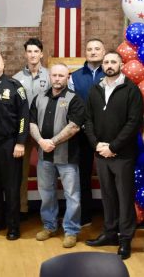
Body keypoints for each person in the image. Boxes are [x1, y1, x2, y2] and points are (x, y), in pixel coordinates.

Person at [85, 51, 143, 260]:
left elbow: (133, 122)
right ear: (102, 65)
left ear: (121, 64)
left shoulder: (131, 90)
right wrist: (96, 144)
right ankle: (110, 233)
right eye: (106, 62)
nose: (109, 65)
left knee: (125, 197)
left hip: (123, 155)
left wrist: (114, 146)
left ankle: (125, 238)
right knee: (107, 196)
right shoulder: (95, 89)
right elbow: (88, 120)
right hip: (101, 154)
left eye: (113, 62)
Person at [30, 63, 84, 248]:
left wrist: (52, 141)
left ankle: (71, 230)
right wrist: (41, 142)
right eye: (54, 75)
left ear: (67, 77)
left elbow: (74, 126)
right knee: (46, 193)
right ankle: (50, 226)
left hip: (67, 157)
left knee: (72, 195)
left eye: (61, 75)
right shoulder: (39, 98)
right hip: (44, 156)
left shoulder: (75, 99)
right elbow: (32, 123)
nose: (57, 78)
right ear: (50, 77)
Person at [0, 52, 29, 240]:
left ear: (3, 64)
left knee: (11, 187)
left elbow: (24, 117)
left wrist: (20, 142)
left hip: (10, 144)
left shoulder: (16, 87)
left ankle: (13, 226)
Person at [69, 38, 105, 226]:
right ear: (85, 52)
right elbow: (73, 105)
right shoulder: (74, 76)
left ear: (103, 51)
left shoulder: (110, 74)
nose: (93, 52)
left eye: (97, 49)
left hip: (106, 135)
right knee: (82, 175)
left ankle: (111, 218)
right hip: (82, 134)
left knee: (108, 175)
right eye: (89, 49)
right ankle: (85, 216)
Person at [13, 38, 50, 220]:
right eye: (29, 51)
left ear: (41, 53)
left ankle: (48, 212)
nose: (33, 55)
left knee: (46, 170)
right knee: (21, 172)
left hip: (45, 131)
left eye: (36, 51)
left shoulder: (51, 76)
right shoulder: (17, 79)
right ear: (25, 54)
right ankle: (22, 208)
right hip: (24, 131)